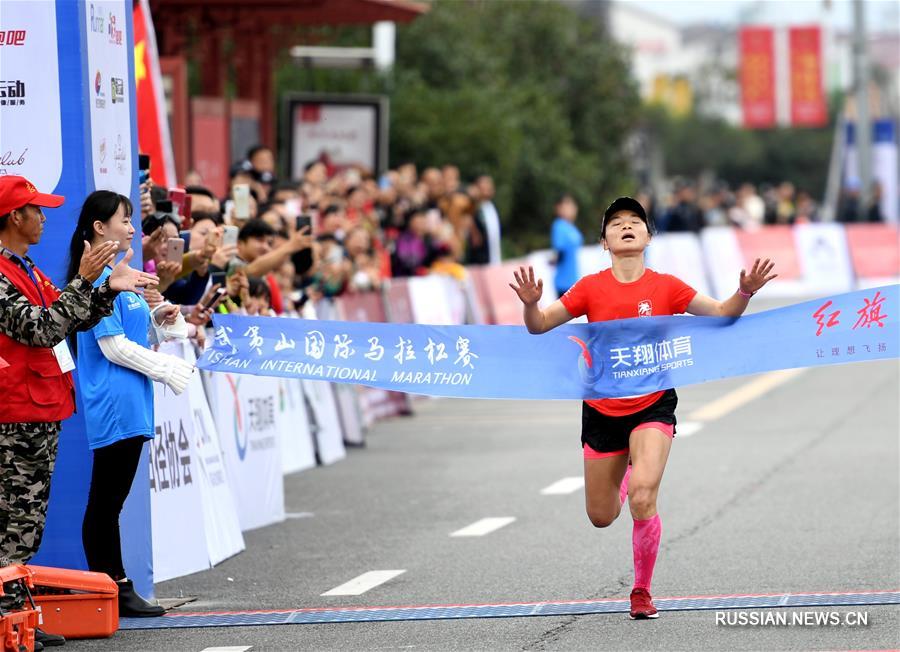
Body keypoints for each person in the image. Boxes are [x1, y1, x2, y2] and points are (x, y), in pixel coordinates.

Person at [510, 196, 777, 619]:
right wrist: (529, 303)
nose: (627, 227)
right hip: (602, 409)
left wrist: (744, 290)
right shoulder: (590, 288)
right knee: (601, 516)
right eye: (616, 224)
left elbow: (724, 313)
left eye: (635, 221)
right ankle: (624, 475)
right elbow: (540, 325)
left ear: (649, 236)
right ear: (604, 242)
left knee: (642, 497)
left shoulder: (668, 286)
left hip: (653, 404)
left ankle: (641, 591)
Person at [0, 176, 157, 649]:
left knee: (25, 525)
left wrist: (107, 290)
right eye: (36, 211)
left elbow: (74, 316)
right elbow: (41, 328)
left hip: (39, 409)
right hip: (14, 413)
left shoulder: (26, 268)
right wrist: (88, 282)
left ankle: (17, 616)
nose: (44, 219)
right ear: (14, 217)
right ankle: (8, 617)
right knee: (12, 522)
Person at [65, 190, 195, 618]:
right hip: (115, 398)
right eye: (125, 219)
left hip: (133, 396)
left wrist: (160, 320)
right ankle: (114, 586)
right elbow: (113, 347)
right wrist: (167, 370)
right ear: (99, 227)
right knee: (106, 500)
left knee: (111, 498)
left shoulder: (122, 276)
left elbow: (135, 335)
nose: (132, 227)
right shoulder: (98, 280)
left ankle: (112, 587)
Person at [550, 194, 583, 296]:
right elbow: (559, 251)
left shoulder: (572, 228)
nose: (571, 208)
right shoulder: (559, 226)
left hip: (574, 280)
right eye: (566, 205)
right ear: (558, 208)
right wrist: (553, 259)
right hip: (563, 282)